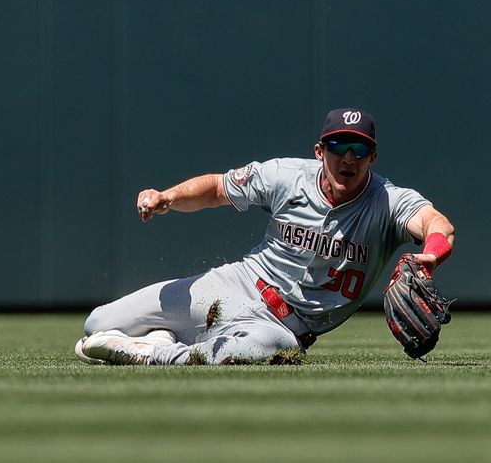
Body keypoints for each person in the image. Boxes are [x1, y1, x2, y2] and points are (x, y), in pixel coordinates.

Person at [75, 108, 455, 365]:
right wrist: (168, 197)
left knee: (249, 351)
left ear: (373, 157)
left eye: (360, 149)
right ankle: (163, 340)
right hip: (235, 287)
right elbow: (216, 189)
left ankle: (157, 354)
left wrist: (432, 255)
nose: (349, 158)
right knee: (97, 323)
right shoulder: (285, 176)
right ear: (320, 151)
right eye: (339, 146)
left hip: (284, 327)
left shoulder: (388, 201)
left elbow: (438, 224)